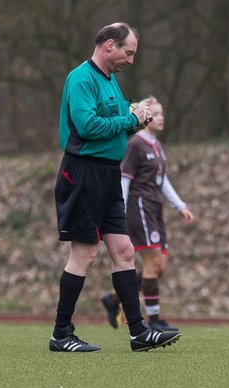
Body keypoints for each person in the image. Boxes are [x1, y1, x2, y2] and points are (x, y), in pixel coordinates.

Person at [50, 22, 181, 353]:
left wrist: (136, 121)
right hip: (82, 174)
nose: (131, 60)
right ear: (109, 45)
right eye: (128, 52)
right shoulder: (81, 78)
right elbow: (88, 126)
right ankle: (61, 334)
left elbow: (115, 130)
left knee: (124, 251)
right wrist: (130, 120)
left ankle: (138, 332)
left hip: (107, 176)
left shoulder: (110, 82)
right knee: (84, 253)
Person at [100, 97, 195, 332]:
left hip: (155, 209)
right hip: (139, 208)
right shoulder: (136, 144)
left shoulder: (157, 146)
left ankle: (114, 299)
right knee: (152, 264)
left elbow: (163, 182)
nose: (161, 117)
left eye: (162, 113)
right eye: (156, 113)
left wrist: (180, 206)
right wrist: (119, 210)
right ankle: (154, 320)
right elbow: (124, 179)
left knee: (159, 267)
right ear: (145, 117)